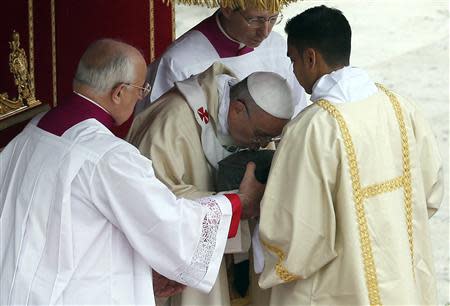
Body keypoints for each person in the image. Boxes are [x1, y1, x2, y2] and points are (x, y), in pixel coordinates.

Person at [0, 39, 265, 305]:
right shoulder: (106, 156)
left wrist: (143, 273)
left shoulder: (33, 132)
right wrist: (237, 203)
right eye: (141, 89)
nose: (141, 97)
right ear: (119, 92)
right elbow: (166, 222)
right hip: (74, 293)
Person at [254, 5, 444, 305]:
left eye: (293, 60)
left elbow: (295, 238)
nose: (293, 70)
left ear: (310, 57)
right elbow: (430, 194)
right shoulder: (400, 108)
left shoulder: (312, 128)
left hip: (340, 289)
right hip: (402, 284)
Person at [127, 62, 295, 306]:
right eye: (260, 136)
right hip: (185, 259)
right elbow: (150, 199)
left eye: (271, 138)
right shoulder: (174, 118)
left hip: (231, 257)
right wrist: (235, 203)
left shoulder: (256, 120)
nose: (262, 144)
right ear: (237, 109)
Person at [135, 0, 307, 116]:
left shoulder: (277, 46)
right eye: (255, 20)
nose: (265, 31)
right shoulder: (179, 62)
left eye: (273, 18)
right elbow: (158, 133)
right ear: (228, 8)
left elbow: (296, 107)